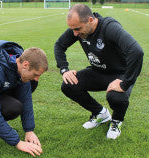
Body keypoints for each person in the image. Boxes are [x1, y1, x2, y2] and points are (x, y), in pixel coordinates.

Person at [54, 4, 143, 139]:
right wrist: (64, 69)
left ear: (91, 20)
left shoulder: (109, 28)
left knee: (115, 97)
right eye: (72, 29)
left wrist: (125, 83)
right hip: (98, 72)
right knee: (68, 85)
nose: (75, 34)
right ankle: (100, 113)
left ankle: (117, 120)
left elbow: (136, 51)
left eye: (77, 29)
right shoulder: (77, 30)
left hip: (119, 75)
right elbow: (59, 45)